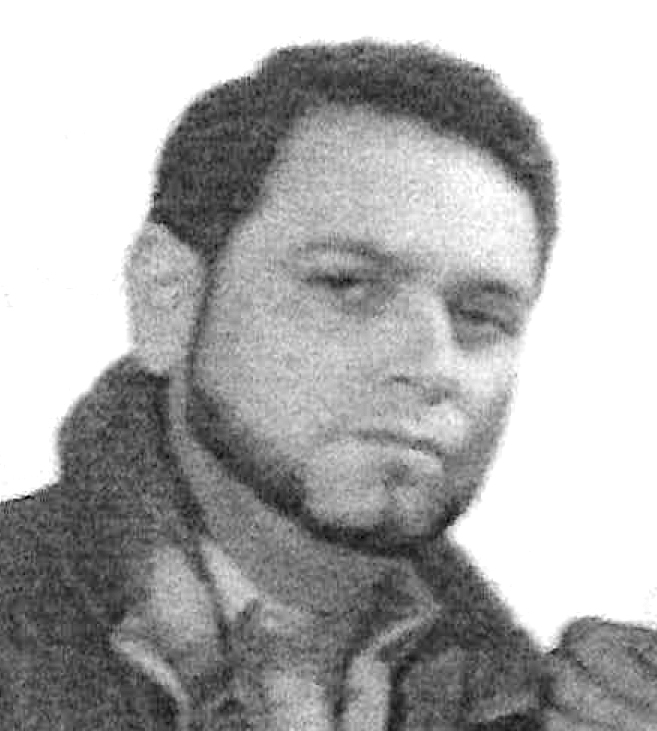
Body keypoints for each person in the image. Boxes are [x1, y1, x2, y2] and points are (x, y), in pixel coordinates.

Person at [1, 39, 656, 731]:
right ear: (169, 297)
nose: (432, 364)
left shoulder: (547, 701)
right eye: (347, 284)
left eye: (480, 316)